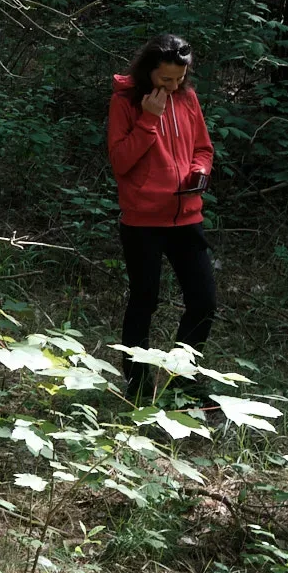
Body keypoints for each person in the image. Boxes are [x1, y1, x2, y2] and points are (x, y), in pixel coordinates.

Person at [106, 34, 216, 401]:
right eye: (165, 79)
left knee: (203, 301)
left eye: (179, 78)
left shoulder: (187, 98)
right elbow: (121, 161)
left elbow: (203, 147)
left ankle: (179, 379)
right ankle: (137, 386)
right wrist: (149, 120)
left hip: (186, 216)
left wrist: (199, 170)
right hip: (142, 221)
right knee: (145, 300)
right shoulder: (125, 102)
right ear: (148, 71)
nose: (173, 86)